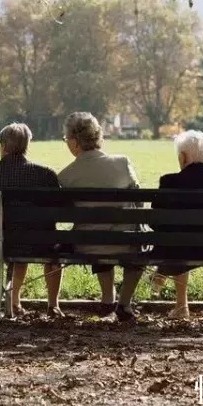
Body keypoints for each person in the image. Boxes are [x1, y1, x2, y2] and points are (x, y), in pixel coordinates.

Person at [58, 112, 145, 322]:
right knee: (135, 237)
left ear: (74, 142)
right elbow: (139, 204)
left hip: (86, 245)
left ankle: (107, 300)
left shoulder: (65, 176)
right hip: (126, 243)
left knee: (95, 230)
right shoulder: (122, 163)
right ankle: (124, 304)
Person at [0, 123, 66, 318]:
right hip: (39, 244)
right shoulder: (45, 174)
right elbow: (57, 209)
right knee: (48, 244)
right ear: (27, 145)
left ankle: (14, 303)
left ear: (3, 146)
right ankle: (53, 305)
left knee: (16, 240)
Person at [150, 129, 203, 320]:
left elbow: (156, 219)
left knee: (177, 238)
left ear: (183, 156)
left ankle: (176, 297)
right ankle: (182, 304)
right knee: (186, 236)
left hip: (176, 247)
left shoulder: (169, 181)